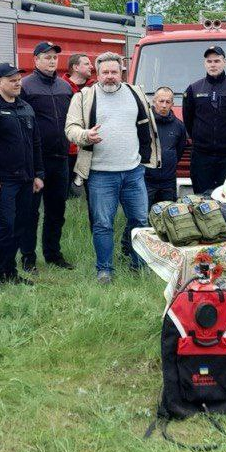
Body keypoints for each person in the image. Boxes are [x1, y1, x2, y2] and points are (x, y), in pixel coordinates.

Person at [66, 52, 161, 284]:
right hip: (100, 174)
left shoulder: (134, 93)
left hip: (133, 171)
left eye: (114, 72)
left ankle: (138, 265)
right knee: (103, 224)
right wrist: (85, 135)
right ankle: (105, 270)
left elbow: (147, 127)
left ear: (121, 73)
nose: (110, 77)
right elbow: (70, 128)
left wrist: (146, 159)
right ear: (97, 74)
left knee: (140, 221)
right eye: (105, 73)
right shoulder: (84, 97)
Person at [19, 41, 75, 273]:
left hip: (60, 158)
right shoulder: (25, 87)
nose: (52, 61)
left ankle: (53, 253)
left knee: (57, 210)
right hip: (35, 161)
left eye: (54, 57)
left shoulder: (64, 87)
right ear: (36, 60)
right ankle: (28, 257)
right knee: (31, 212)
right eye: (47, 57)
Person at [0, 63, 44, 284]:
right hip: (4, 180)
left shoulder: (25, 108)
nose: (18, 82)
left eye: (18, 78)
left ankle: (10, 272)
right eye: (11, 80)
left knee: (21, 225)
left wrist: (38, 174)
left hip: (27, 179)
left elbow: (35, 142)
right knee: (6, 225)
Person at [183, 45, 226, 194]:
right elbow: (189, 119)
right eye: (209, 61)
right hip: (202, 155)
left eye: (217, 61)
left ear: (224, 62)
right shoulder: (193, 89)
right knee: (202, 198)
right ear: (205, 63)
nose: (213, 65)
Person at [145, 87, 188, 205]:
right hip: (147, 181)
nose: (164, 105)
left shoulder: (179, 126)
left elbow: (179, 151)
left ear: (172, 104)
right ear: (154, 102)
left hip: (168, 182)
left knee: (168, 217)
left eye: (168, 102)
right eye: (161, 101)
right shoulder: (144, 123)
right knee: (144, 216)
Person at [62, 52, 93, 199]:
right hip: (66, 150)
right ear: (75, 67)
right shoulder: (60, 88)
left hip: (88, 148)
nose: (91, 67)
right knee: (65, 193)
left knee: (90, 191)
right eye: (87, 64)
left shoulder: (94, 88)